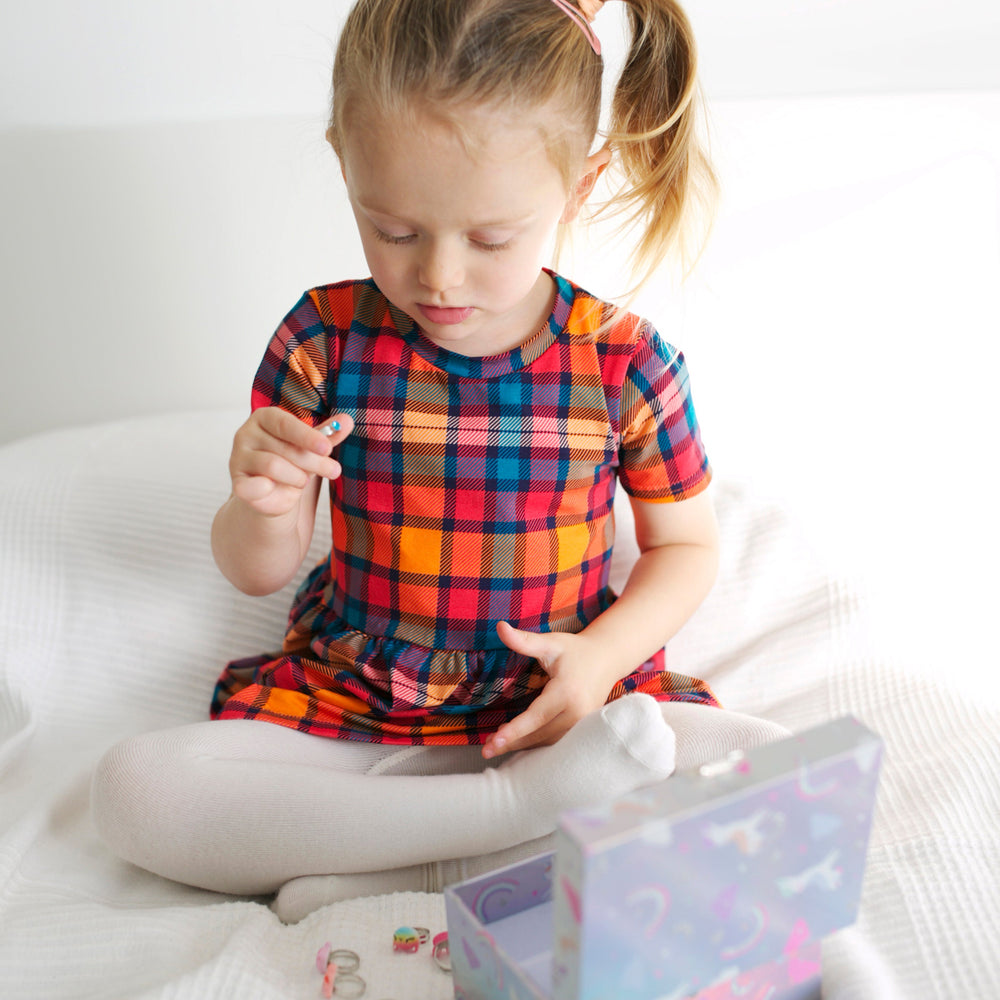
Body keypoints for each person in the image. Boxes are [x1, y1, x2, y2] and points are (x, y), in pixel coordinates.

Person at [91, 0, 788, 924]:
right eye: (395, 230)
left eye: (490, 239)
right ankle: (502, 825)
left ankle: (393, 855)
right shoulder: (323, 341)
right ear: (345, 160)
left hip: (557, 703)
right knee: (136, 790)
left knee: (758, 764)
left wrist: (600, 658)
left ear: (580, 187)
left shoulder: (624, 362)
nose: (439, 277)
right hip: (363, 701)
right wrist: (261, 501)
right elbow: (257, 571)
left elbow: (686, 548)